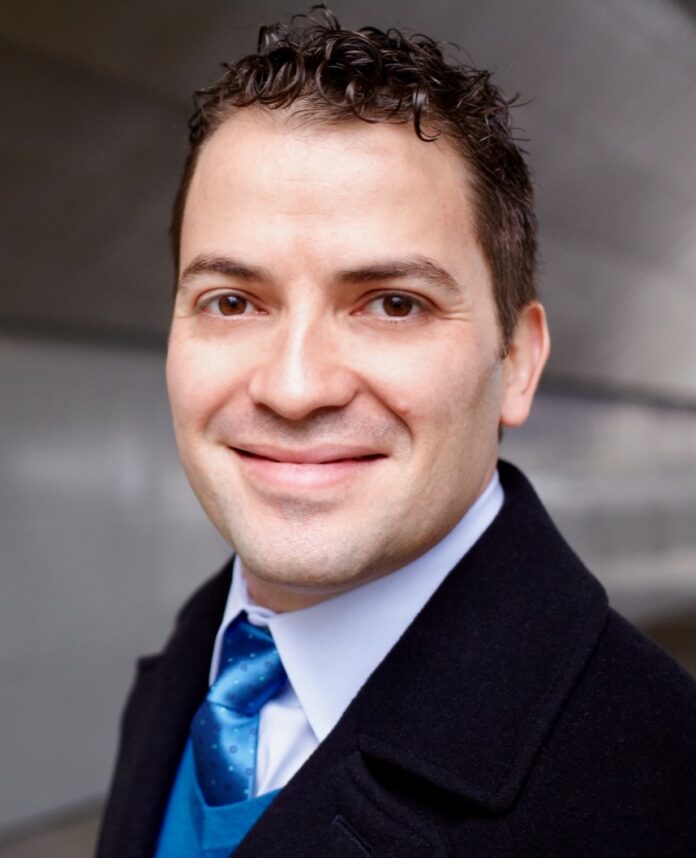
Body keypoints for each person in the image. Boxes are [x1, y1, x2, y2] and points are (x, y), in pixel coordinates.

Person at [97, 8, 696, 857]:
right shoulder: (193, 669)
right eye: (232, 302)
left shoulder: (657, 789)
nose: (296, 387)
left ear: (517, 362)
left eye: (392, 303)